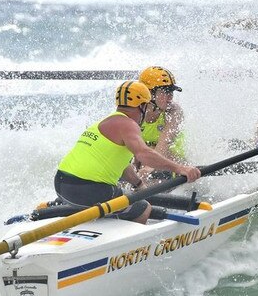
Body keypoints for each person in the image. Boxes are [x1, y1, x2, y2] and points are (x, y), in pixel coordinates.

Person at [54, 81, 201, 224]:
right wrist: (180, 168)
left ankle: (103, 223)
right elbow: (144, 154)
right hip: (90, 190)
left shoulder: (103, 122)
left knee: (126, 199)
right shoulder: (129, 124)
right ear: (142, 106)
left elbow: (122, 165)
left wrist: (138, 184)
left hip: (61, 185)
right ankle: (122, 242)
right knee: (143, 208)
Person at [137, 66, 188, 181]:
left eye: (171, 92)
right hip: (146, 157)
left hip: (174, 160)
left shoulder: (174, 112)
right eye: (165, 92)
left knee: (145, 152)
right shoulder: (136, 111)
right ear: (149, 93)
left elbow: (163, 145)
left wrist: (149, 167)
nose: (170, 97)